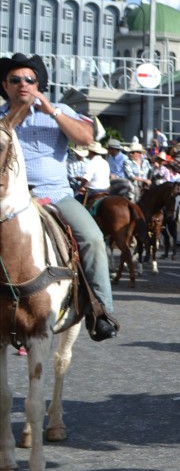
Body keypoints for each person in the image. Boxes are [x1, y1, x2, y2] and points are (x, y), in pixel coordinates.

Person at [0, 53, 118, 339]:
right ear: (5, 85)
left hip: (55, 195)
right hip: (8, 201)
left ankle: (101, 311)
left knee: (92, 239)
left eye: (30, 80)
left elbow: (86, 138)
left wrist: (51, 111)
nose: (23, 84)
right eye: (15, 80)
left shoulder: (60, 110)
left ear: (39, 84)